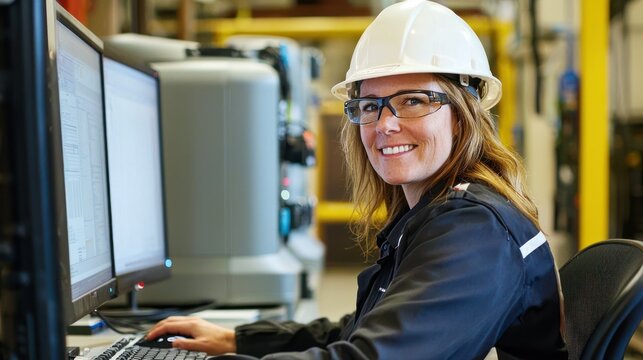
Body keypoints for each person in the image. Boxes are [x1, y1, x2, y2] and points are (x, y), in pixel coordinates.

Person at [146, 1, 568, 358]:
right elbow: (364, 329)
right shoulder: (433, 215)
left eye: (414, 101)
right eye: (370, 105)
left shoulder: (475, 233)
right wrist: (237, 339)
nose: (385, 124)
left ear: (461, 116)